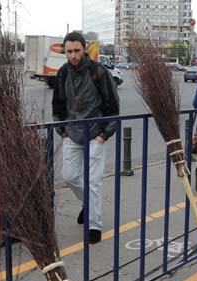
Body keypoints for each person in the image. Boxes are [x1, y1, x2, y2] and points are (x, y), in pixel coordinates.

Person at [52, 32, 120, 244]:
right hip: (72, 133)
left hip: (95, 134)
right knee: (70, 176)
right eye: (69, 51)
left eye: (76, 51)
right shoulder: (63, 73)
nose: (73, 55)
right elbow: (58, 105)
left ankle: (94, 225)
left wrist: (104, 135)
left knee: (93, 182)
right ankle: (88, 205)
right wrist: (62, 131)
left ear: (84, 49)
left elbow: (113, 106)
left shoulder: (99, 72)